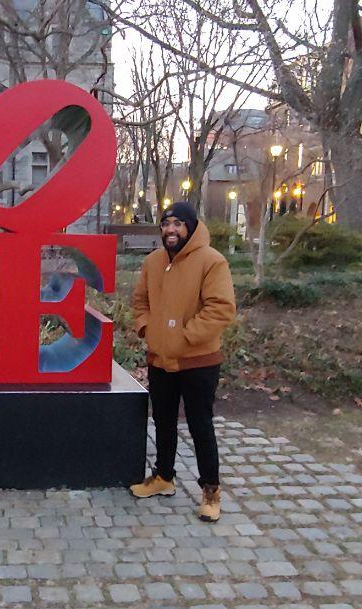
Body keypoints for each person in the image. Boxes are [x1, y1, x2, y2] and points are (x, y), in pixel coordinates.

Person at [130, 202, 238, 522]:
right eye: (166, 224)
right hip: (160, 358)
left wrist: (186, 336)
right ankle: (164, 476)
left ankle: (210, 491)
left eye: (178, 223)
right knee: (162, 420)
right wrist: (147, 329)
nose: (171, 229)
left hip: (198, 361)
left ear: (190, 227)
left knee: (199, 425)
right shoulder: (153, 262)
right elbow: (140, 301)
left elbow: (221, 308)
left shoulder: (211, 261)